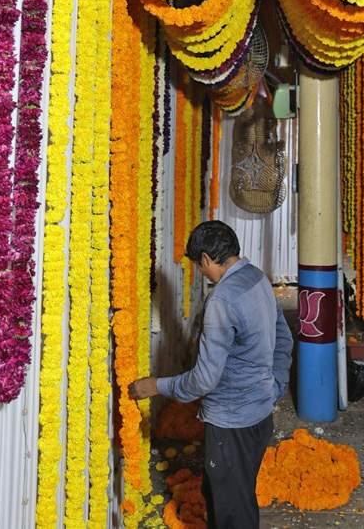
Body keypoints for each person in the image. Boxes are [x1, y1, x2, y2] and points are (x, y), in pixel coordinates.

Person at [128, 219, 294, 529]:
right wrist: (275, 387)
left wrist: (156, 385)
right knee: (228, 497)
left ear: (206, 258)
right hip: (260, 417)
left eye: (199, 267)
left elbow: (203, 380)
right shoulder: (257, 278)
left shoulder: (222, 299)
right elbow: (283, 339)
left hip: (232, 424)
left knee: (233, 514)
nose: (201, 274)